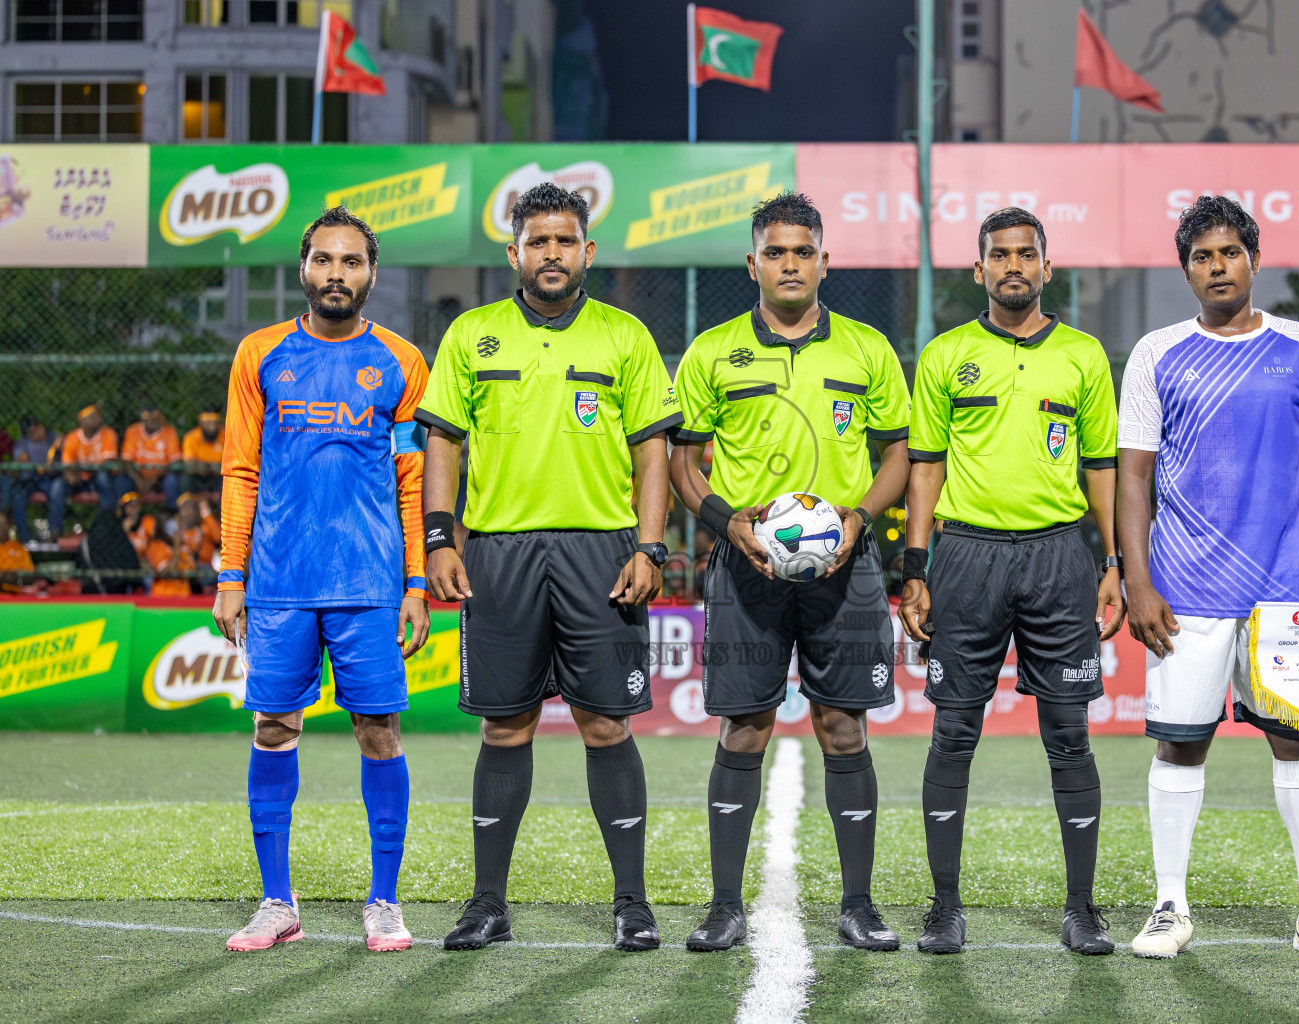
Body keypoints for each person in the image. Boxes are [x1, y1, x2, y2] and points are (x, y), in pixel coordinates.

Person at [415, 183, 677, 953]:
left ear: (587, 252)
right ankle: (487, 903)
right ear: (514, 254)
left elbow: (651, 451)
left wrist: (650, 546)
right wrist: (439, 539)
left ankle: (632, 902)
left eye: (566, 241)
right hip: (499, 551)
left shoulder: (625, 337)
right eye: (538, 241)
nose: (552, 253)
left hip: (602, 550)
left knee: (605, 724)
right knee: (505, 726)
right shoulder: (471, 334)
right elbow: (443, 445)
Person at [1117, 194, 1299, 963]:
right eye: (1202, 256)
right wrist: (1137, 579)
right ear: (1186, 269)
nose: (1217, 266)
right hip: (1184, 594)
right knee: (1179, 750)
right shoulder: (1156, 353)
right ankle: (1169, 908)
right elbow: (1133, 478)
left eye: (1229, 252)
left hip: (1289, 597)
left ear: (1254, 259)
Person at [668, 192, 911, 954]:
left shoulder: (867, 349)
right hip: (747, 567)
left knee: (843, 727)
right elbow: (682, 462)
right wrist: (726, 524)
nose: (790, 263)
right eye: (775, 252)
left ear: (824, 261)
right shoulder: (712, 352)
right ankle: (724, 907)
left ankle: (859, 905)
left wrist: (859, 519)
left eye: (803, 251)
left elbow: (900, 453)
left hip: (847, 566)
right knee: (746, 728)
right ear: (753, 264)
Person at [898, 207, 1123, 956]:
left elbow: (1101, 470)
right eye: (1000, 256)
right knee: (954, 731)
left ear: (1047, 268)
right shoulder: (945, 355)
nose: (1014, 266)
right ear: (979, 270)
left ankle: (1082, 909)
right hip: (965, 558)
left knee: (1068, 734)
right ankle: (944, 907)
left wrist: (1114, 563)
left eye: (1027, 254)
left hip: (1060, 557)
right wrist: (916, 569)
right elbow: (924, 467)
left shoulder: (1085, 357)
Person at [213, 206, 431, 954]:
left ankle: (385, 902)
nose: (337, 274)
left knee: (379, 731)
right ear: (303, 268)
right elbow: (240, 469)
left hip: (370, 584)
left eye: (353, 262)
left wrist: (414, 584)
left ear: (372, 273)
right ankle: (278, 904)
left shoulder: (403, 361)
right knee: (273, 728)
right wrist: (230, 573)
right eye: (324, 261)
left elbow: (412, 479)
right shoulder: (259, 354)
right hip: (278, 581)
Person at [48, 405, 124, 537]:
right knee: (57, 487)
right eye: (92, 416)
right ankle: (55, 531)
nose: (98, 419)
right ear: (82, 421)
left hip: (97, 478)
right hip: (78, 479)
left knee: (104, 478)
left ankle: (106, 529)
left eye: (98, 415)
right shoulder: (72, 438)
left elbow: (107, 463)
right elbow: (68, 466)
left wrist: (82, 468)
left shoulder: (108, 433)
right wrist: (71, 475)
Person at [121, 405, 181, 506]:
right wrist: (139, 480)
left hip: (160, 478)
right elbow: (126, 460)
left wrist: (153, 481)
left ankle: (171, 514)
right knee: (122, 480)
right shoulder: (133, 431)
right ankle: (123, 515)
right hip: (138, 477)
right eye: (150, 419)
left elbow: (175, 461)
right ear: (142, 421)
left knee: (172, 481)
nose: (155, 421)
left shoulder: (169, 431)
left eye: (157, 418)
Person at [8, 416, 55, 542]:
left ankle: (54, 534)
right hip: (28, 479)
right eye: (28, 432)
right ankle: (24, 537)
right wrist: (20, 460)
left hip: (49, 478)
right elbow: (20, 457)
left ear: (40, 426)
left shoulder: (54, 438)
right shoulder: (23, 442)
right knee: (18, 497)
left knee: (56, 493)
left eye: (34, 430)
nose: (32, 434)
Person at [182, 409, 225, 495]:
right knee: (186, 479)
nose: (212, 427)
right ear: (201, 423)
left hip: (219, 475)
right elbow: (189, 462)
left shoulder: (225, 435)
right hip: (199, 474)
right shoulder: (191, 437)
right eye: (208, 423)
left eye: (214, 422)